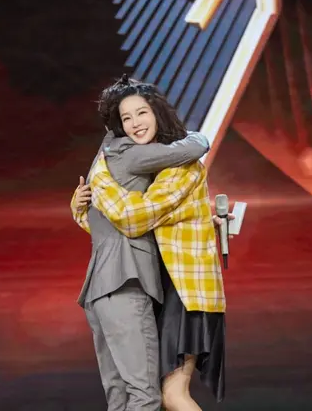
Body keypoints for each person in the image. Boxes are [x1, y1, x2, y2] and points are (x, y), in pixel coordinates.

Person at [71, 74, 211, 411]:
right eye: (127, 117)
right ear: (118, 124)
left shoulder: (107, 157)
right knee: (145, 397)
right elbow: (195, 147)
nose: (135, 123)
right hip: (126, 284)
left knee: (120, 399)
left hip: (100, 293)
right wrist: (197, 134)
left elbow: (96, 219)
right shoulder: (130, 153)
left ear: (155, 111)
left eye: (141, 113)